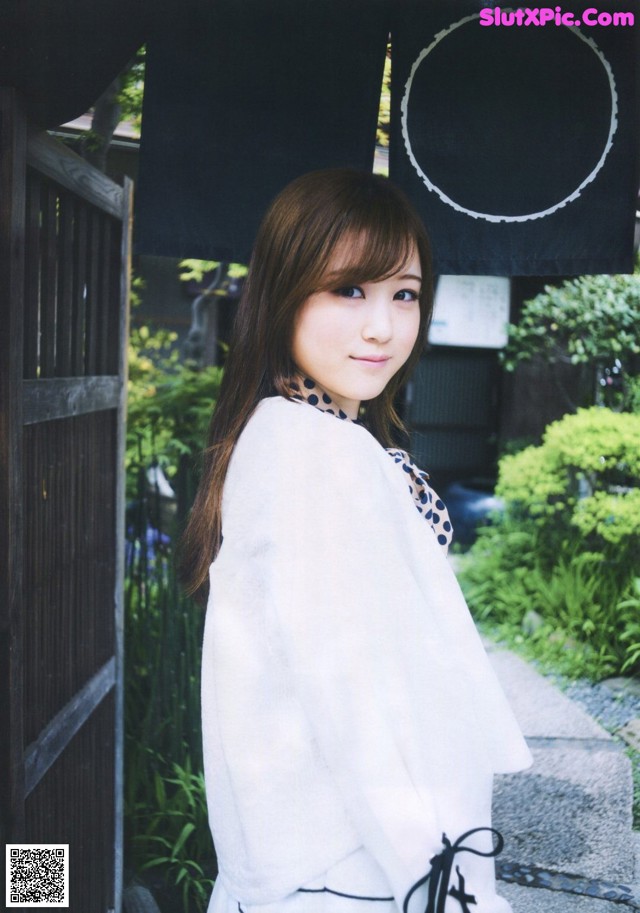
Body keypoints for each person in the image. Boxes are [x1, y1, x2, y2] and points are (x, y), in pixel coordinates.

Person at [180, 168, 532, 913]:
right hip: (358, 877)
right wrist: (447, 887)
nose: (383, 326)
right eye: (349, 290)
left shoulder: (289, 433)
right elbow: (359, 703)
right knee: (32, 880)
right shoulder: (320, 455)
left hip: (311, 867)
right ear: (283, 295)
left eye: (403, 293)